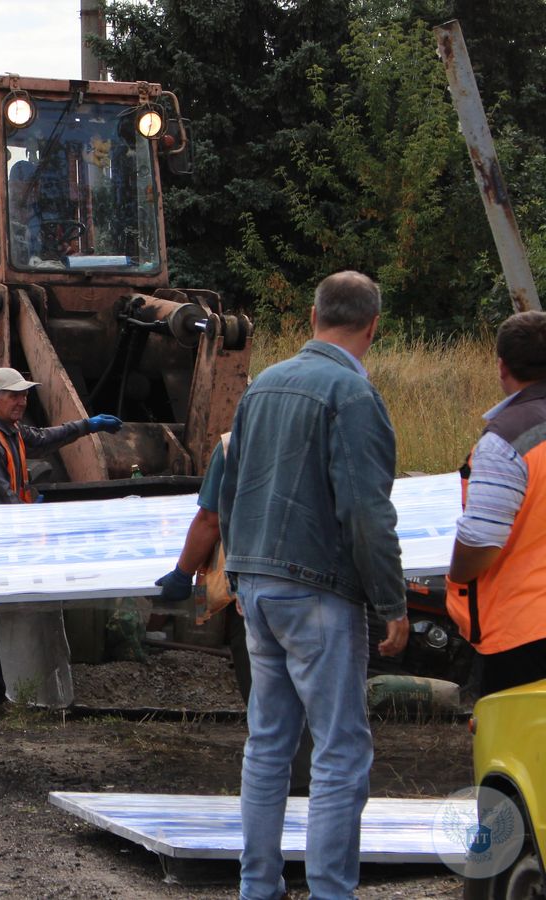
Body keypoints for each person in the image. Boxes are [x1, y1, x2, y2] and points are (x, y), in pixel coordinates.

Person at [219, 271, 410, 900]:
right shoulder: (352, 396)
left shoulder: (263, 386)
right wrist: (390, 603)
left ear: (312, 315)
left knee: (268, 743)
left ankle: (258, 887)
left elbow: (230, 488)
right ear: (373, 327)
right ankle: (330, 890)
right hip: (319, 590)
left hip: (260, 589)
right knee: (339, 751)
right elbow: (366, 513)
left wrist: (239, 576)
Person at [0, 367, 123, 723]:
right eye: (14, 395)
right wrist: (38, 521)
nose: (21, 401)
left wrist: (86, 426)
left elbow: (44, 438)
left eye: (24, 394)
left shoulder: (7, 430)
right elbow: (3, 498)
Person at [154, 435, 313, 796]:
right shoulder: (327, 429)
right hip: (319, 585)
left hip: (257, 590)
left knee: (268, 689)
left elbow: (210, 520)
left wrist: (183, 572)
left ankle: (288, 783)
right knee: (315, 685)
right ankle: (320, 779)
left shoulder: (233, 444)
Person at [447, 310, 546, 697]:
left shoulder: (505, 442)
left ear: (502, 367)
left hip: (524, 633)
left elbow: (481, 542)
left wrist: (455, 576)